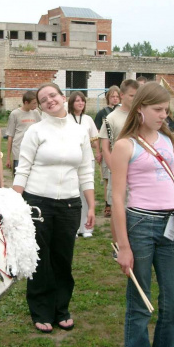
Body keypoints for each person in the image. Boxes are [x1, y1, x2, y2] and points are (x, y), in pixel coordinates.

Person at [112, 83, 174, 347]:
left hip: (171, 225)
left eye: (166, 110)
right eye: (158, 110)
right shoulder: (125, 145)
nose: (164, 115)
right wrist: (123, 246)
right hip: (140, 226)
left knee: (173, 304)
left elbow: (171, 185)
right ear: (141, 109)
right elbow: (118, 198)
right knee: (140, 304)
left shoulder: (167, 141)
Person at [13, 83, 95, 334]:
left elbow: (86, 169)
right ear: (40, 105)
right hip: (38, 202)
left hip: (70, 204)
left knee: (63, 258)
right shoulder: (35, 131)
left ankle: (61, 309)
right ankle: (41, 309)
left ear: (63, 97)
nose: (49, 100)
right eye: (43, 99)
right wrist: (15, 204)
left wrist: (91, 205)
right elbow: (23, 168)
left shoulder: (79, 132)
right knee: (40, 259)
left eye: (53, 95)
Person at [99, 79, 140, 220]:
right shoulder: (111, 118)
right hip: (119, 169)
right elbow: (105, 147)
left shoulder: (141, 115)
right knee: (119, 209)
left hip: (139, 169)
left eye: (137, 95)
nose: (135, 99)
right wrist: (114, 170)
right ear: (122, 95)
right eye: (132, 96)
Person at [67, 91, 99, 238]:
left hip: (87, 159)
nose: (80, 103)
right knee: (72, 193)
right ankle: (73, 228)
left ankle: (86, 228)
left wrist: (99, 151)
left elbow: (95, 138)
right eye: (77, 101)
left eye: (82, 101)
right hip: (71, 159)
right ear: (71, 103)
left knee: (86, 192)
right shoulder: (66, 119)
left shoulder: (88, 119)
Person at [94, 85, 121, 216]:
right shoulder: (102, 113)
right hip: (107, 150)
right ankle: (107, 203)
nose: (115, 99)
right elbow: (98, 135)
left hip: (120, 150)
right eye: (112, 96)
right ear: (108, 98)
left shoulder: (122, 112)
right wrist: (98, 152)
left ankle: (118, 202)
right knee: (107, 178)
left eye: (117, 97)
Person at [5, 91, 41, 174]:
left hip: (32, 150)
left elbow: (41, 130)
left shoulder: (36, 113)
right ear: (26, 102)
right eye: (34, 103)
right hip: (18, 151)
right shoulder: (15, 114)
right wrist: (8, 158)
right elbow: (10, 135)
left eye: (36, 103)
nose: (35, 106)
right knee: (18, 177)